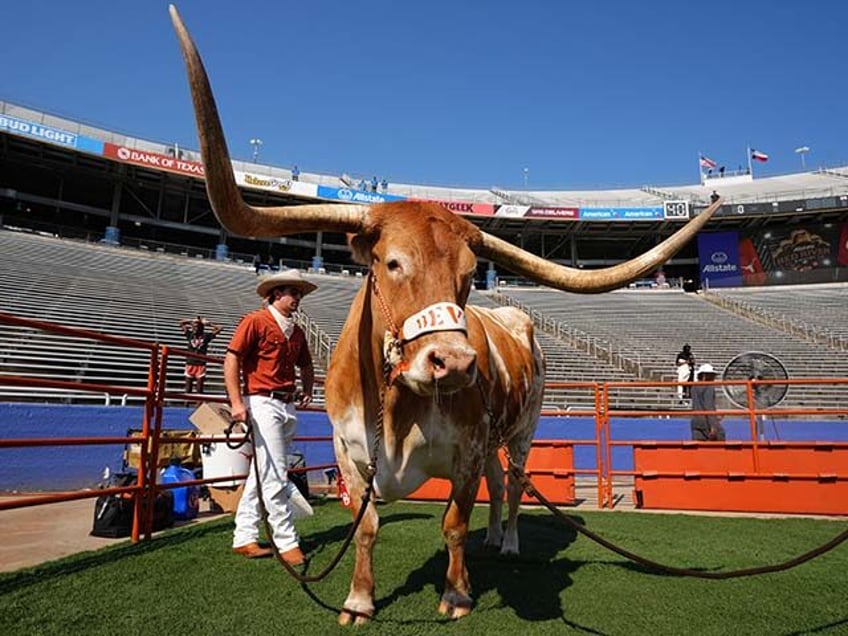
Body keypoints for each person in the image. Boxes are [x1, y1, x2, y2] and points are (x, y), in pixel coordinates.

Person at [225, 269, 317, 563]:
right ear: (276, 294)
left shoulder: (297, 331)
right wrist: (237, 402)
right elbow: (232, 357)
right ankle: (286, 540)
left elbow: (306, 364)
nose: (298, 298)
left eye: (300, 293)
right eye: (294, 292)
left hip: (285, 404)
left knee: (262, 473)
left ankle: (244, 536)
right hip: (262, 402)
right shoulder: (256, 321)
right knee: (275, 472)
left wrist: (308, 388)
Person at [178, 316, 222, 394]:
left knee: (199, 390)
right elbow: (181, 323)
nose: (195, 328)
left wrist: (209, 324)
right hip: (190, 364)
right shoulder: (190, 335)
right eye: (194, 327)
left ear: (202, 328)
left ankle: (198, 405)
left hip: (200, 365)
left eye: (197, 327)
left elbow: (220, 328)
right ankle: (186, 406)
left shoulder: (206, 336)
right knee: (188, 389)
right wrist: (192, 320)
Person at [690, 363, 725, 441]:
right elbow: (709, 406)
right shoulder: (709, 387)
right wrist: (713, 425)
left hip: (696, 421)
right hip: (706, 422)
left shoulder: (694, 387)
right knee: (720, 436)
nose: (713, 378)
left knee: (698, 447)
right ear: (705, 375)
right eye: (712, 375)